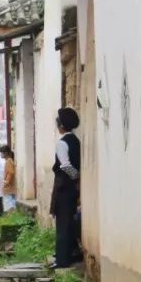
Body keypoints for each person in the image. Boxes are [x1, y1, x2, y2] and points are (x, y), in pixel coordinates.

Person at [52, 107, 82, 268]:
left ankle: (62, 260)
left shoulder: (62, 143)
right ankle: (70, 254)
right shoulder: (76, 141)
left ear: (61, 126)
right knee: (69, 222)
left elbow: (65, 165)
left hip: (64, 187)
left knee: (62, 224)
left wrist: (75, 176)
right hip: (72, 189)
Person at [0, 145, 17, 211]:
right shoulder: (9, 161)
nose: (0, 154)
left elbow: (11, 172)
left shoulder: (8, 161)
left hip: (8, 187)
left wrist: (6, 182)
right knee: (11, 204)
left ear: (6, 153)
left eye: (1, 153)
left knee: (9, 206)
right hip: (10, 187)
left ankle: (11, 217)